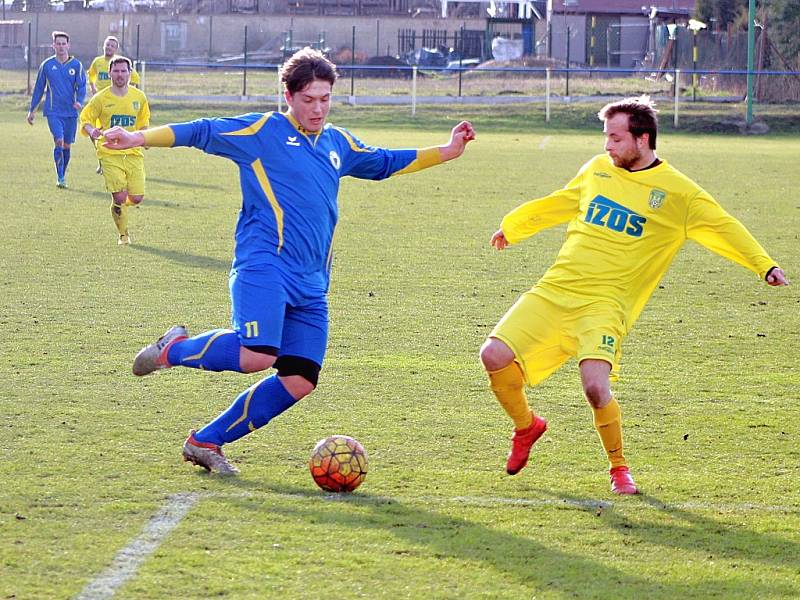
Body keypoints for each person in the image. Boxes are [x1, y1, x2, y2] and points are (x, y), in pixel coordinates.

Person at [102, 47, 476, 474]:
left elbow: (385, 161)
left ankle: (205, 441)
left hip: (312, 281)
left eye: (325, 99)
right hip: (265, 265)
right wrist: (137, 138)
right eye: (309, 99)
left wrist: (447, 150)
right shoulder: (264, 130)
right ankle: (173, 350)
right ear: (289, 95)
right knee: (258, 354)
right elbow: (203, 131)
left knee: (299, 379)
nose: (317, 108)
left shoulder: (338, 143)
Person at [479, 95, 789, 495]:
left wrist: (763, 264)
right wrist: (515, 226)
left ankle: (619, 469)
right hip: (557, 289)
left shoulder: (679, 194)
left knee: (595, 387)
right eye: (606, 138)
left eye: (615, 138)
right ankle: (527, 427)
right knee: (493, 355)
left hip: (606, 305)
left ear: (642, 139)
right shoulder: (596, 170)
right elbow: (563, 201)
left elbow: (723, 226)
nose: (607, 146)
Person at [80, 56, 150, 246]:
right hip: (109, 152)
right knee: (119, 195)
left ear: (130, 73)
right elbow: (85, 119)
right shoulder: (100, 98)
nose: (120, 75)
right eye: (116, 71)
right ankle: (123, 234)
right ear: (110, 73)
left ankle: (119, 208)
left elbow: (143, 124)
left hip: (133, 152)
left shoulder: (139, 97)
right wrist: (92, 131)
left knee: (136, 198)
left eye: (123, 71)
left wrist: (146, 139)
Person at [27, 31, 87, 189]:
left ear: (68, 45)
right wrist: (32, 110)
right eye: (58, 43)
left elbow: (81, 86)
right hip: (53, 111)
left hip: (71, 113)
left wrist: (80, 102)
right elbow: (39, 89)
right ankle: (60, 177)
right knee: (58, 141)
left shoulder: (76, 65)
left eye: (63, 43)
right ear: (53, 45)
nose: (61, 46)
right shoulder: (46, 65)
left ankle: (63, 173)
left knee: (67, 146)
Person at [86, 35, 141, 175]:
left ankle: (120, 162)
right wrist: (93, 89)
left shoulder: (120, 63)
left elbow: (135, 78)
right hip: (101, 103)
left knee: (118, 132)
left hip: (117, 103)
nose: (109, 47)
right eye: (107, 44)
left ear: (116, 49)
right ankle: (102, 159)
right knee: (95, 133)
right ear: (103, 46)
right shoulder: (97, 61)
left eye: (112, 45)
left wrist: (128, 92)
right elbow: (91, 75)